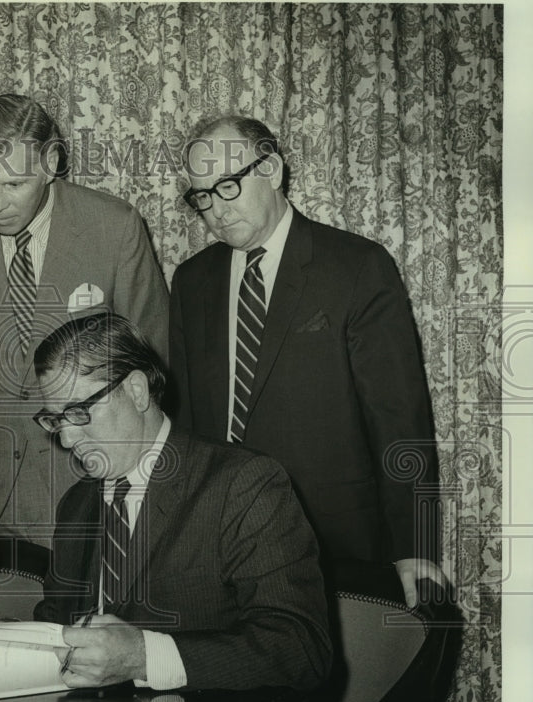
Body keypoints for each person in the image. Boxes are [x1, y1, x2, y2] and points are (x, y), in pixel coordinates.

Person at [169, 115, 447, 607]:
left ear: (272, 169)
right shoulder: (191, 281)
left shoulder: (357, 266)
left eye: (228, 186)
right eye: (202, 196)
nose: (215, 211)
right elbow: (188, 421)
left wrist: (414, 546)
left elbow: (399, 418)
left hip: (336, 539)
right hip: (224, 540)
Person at [0, 93, 169, 572]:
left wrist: (149, 483)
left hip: (81, 481)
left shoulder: (115, 228)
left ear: (51, 163)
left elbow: (150, 370)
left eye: (15, 183)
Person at [32, 312, 331, 692]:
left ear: (137, 391)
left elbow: (301, 648)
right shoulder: (76, 504)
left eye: (79, 412)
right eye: (55, 420)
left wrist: (145, 657)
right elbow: (55, 625)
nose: (68, 439)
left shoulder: (242, 485)